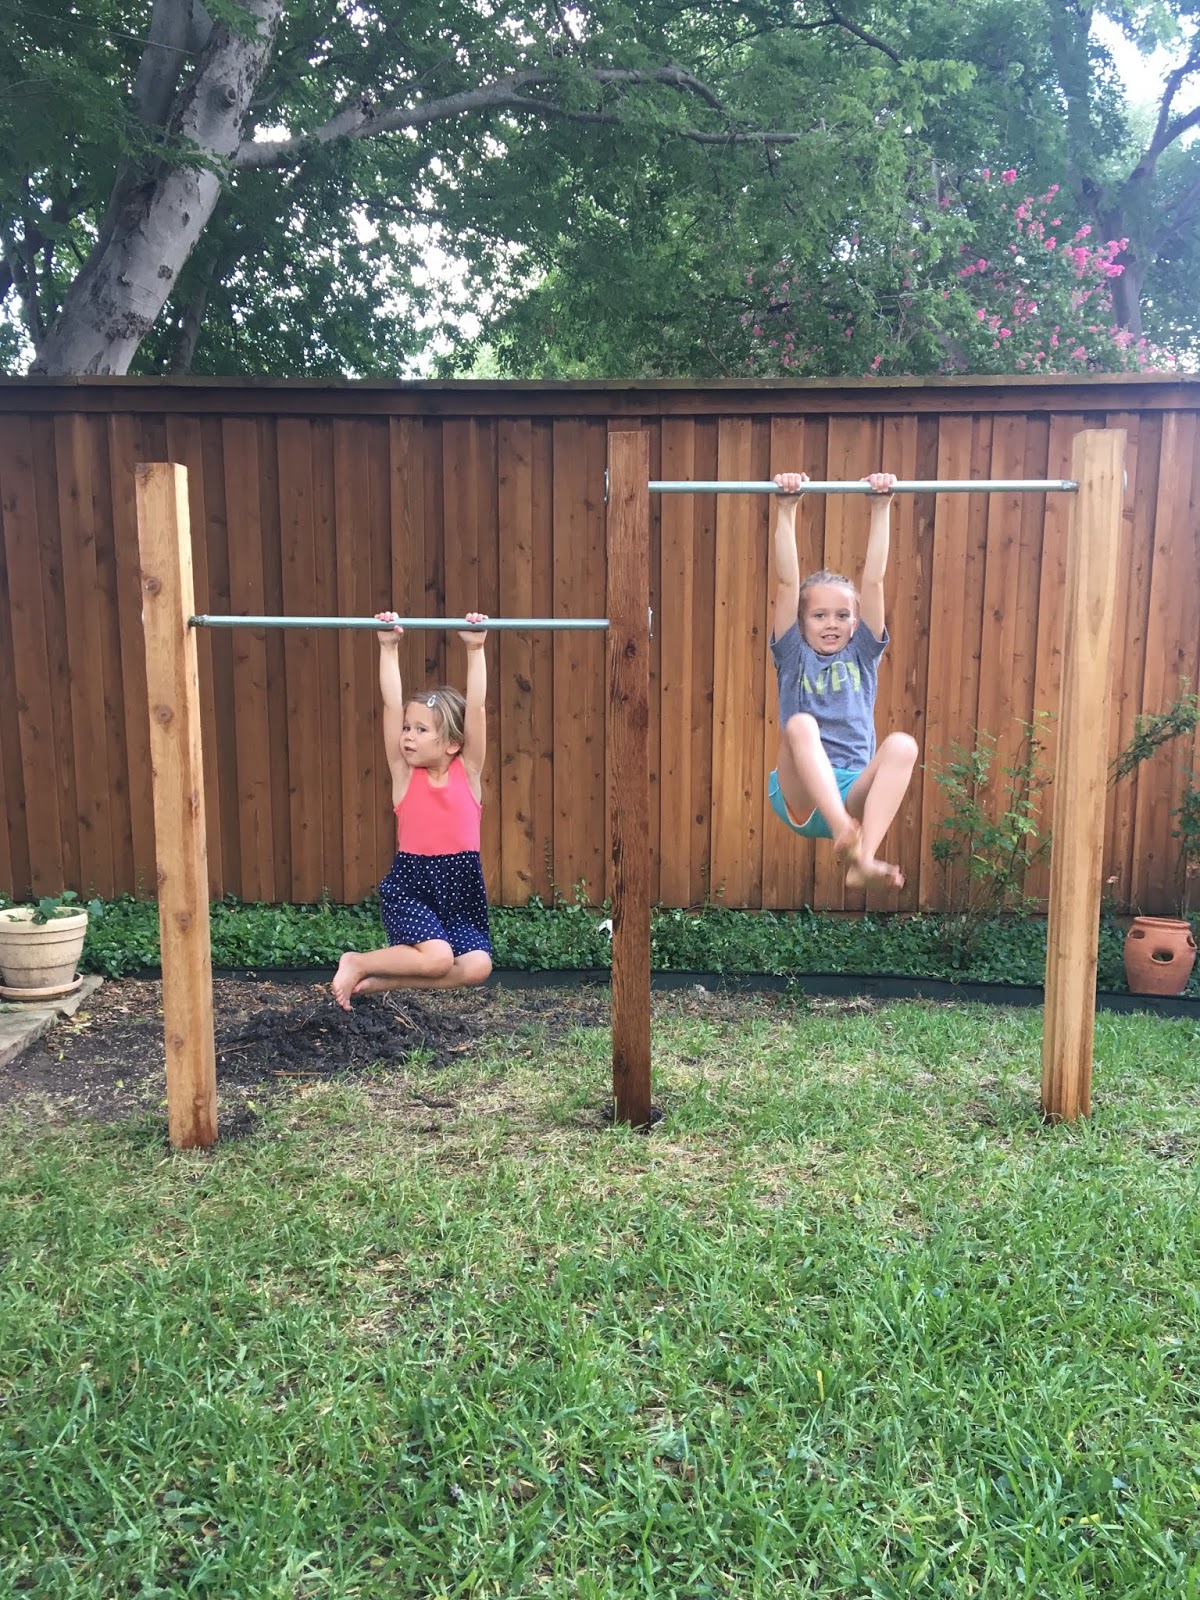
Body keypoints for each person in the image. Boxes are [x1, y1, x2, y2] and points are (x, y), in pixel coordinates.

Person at [331, 612, 493, 1008]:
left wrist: (476, 649)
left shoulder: (468, 772)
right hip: (413, 884)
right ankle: (357, 961)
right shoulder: (404, 776)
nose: (408, 736)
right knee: (437, 958)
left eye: (421, 730)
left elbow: (477, 710)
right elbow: (390, 705)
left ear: (453, 743)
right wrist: (388, 648)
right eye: (407, 727)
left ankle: (385, 982)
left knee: (477, 966)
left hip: (460, 885)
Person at [768, 471, 919, 890]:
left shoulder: (863, 653)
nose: (831, 624)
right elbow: (786, 583)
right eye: (819, 616)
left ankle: (862, 858)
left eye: (841, 616)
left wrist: (881, 507)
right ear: (801, 623)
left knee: (903, 745)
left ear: (856, 623)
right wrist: (786, 508)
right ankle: (842, 832)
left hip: (852, 789)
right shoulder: (793, 655)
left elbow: (873, 581)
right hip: (800, 794)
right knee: (801, 724)